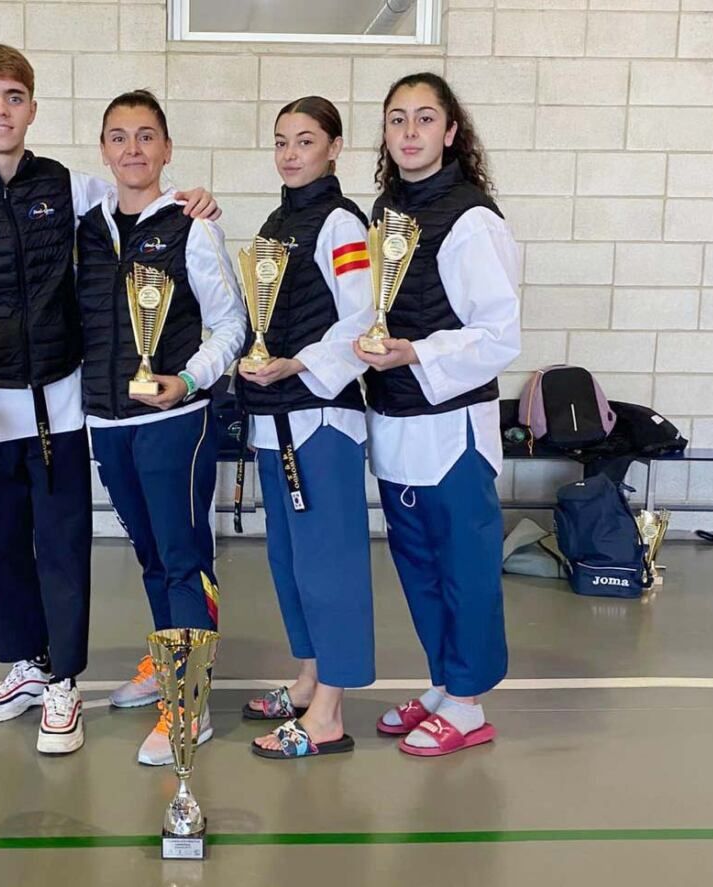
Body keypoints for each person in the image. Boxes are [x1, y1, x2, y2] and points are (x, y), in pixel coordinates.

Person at [0, 45, 218, 756]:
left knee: (62, 545)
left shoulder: (68, 189)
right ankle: (26, 663)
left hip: (63, 406)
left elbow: (139, 196)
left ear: (33, 108)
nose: (0, 110)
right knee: (0, 547)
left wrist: (192, 198)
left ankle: (64, 684)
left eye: (13, 96)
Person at [75, 90, 245, 766]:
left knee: (182, 555)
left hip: (176, 419)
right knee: (148, 552)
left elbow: (232, 323)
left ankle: (190, 699)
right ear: (104, 150)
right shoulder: (86, 228)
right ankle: (166, 657)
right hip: (106, 420)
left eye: (147, 137)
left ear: (167, 150)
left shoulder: (190, 225)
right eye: (119, 137)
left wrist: (191, 378)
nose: (133, 149)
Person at [354, 72, 521, 758]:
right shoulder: (384, 213)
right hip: (395, 423)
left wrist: (415, 351)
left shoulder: (472, 219)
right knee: (419, 568)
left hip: (453, 430)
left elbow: (500, 332)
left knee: (465, 569)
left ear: (451, 132)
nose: (411, 132)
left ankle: (469, 700)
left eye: (426, 119)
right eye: (398, 120)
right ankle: (445, 683)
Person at [236, 97, 377, 760]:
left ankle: (328, 713)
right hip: (276, 415)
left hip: (322, 415)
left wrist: (300, 363)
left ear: (334, 147)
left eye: (306, 141)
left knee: (330, 563)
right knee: (291, 562)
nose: (291, 153)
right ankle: (309, 678)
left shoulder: (342, 223)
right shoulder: (275, 222)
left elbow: (362, 318)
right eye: (281, 141)